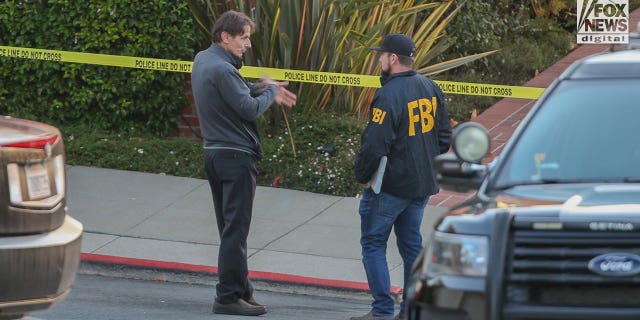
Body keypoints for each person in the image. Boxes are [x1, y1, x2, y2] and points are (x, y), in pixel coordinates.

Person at [190, 10, 296, 317]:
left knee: (229, 229)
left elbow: (232, 97)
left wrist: (260, 88)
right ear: (225, 37)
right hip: (235, 156)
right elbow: (248, 110)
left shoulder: (204, 60)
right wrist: (272, 91)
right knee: (235, 230)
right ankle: (227, 297)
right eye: (244, 37)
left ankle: (241, 291)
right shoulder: (224, 69)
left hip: (215, 153)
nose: (248, 44)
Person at [352, 34, 452, 320]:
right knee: (411, 246)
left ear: (392, 59)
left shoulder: (388, 94)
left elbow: (375, 143)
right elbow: (444, 136)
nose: (379, 59)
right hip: (421, 186)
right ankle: (411, 310)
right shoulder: (430, 86)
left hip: (391, 187)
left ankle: (382, 311)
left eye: (381, 55)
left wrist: (362, 175)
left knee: (373, 243)